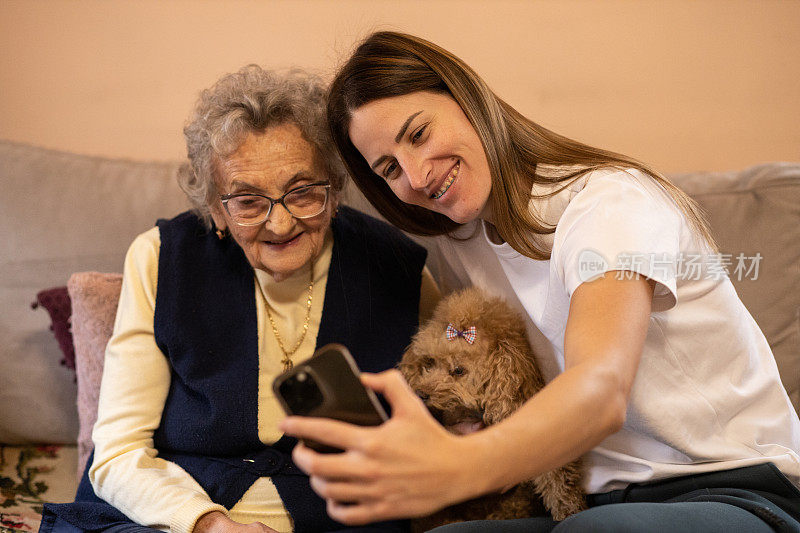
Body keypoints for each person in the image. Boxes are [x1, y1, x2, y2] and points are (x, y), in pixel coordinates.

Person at [280, 32, 800, 532]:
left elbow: (600, 389)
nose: (416, 177)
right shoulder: (465, 242)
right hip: (595, 500)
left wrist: (460, 465)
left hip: (729, 485)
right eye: (389, 168)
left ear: (467, 99)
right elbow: (478, 346)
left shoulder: (610, 205)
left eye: (419, 134)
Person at [40, 65, 439, 533]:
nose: (281, 223)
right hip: (169, 520)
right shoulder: (160, 259)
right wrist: (210, 525)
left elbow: (460, 334)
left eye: (302, 192)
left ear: (334, 190)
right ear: (215, 209)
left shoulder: (393, 265)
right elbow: (118, 452)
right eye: (248, 201)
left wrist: (479, 347)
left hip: (339, 521)